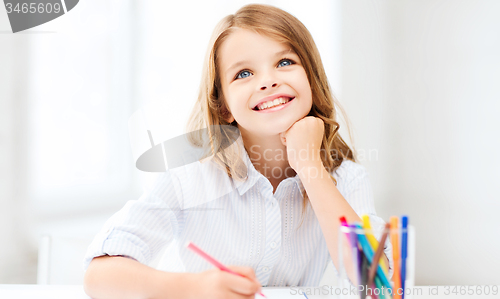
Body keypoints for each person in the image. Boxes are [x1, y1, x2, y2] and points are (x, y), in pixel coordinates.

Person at [83, 4, 392, 299]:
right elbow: (99, 276)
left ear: (311, 78)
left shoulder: (346, 178)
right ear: (224, 107)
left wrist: (310, 166)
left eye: (285, 62)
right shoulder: (191, 174)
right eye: (243, 73)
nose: (268, 81)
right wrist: (194, 289)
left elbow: (375, 283)